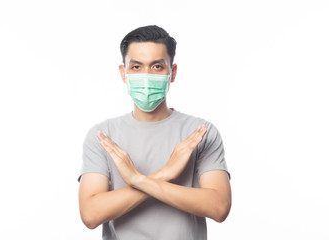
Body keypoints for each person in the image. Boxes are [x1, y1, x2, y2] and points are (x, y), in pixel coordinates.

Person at [78, 25, 231, 240]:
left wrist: (137, 179)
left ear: (172, 72)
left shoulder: (200, 133)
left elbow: (219, 207)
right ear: (124, 73)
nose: (147, 76)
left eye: (157, 66)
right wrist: (165, 173)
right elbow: (91, 215)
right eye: (137, 67)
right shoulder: (103, 136)